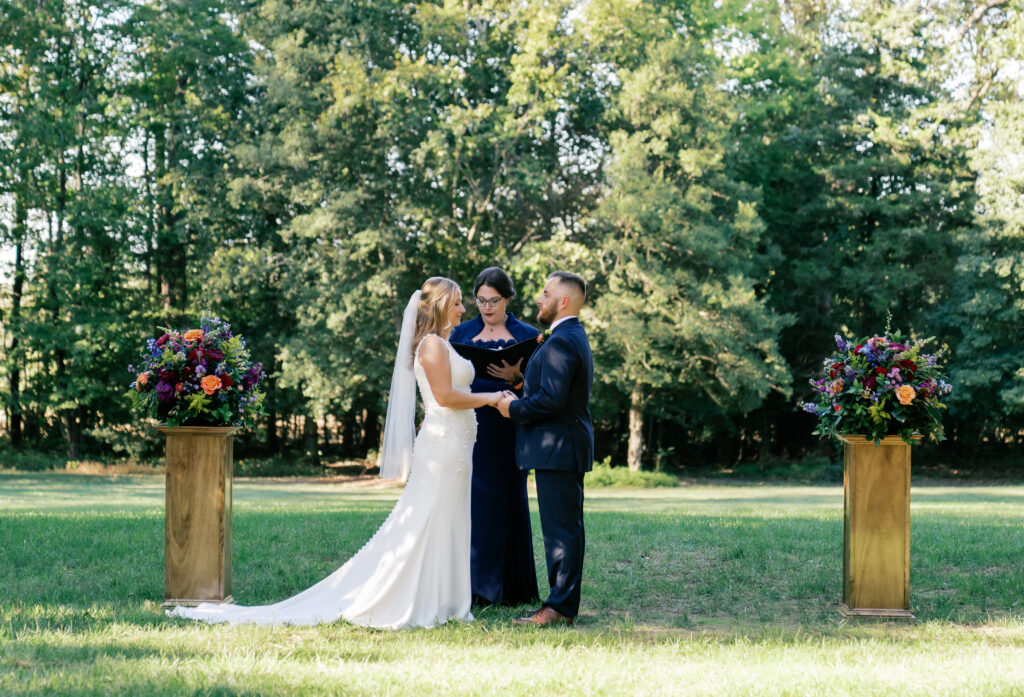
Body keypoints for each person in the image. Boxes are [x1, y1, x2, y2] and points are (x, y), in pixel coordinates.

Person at [167, 277, 506, 628]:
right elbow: (445, 397)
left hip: (456, 445)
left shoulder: (442, 343)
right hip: (443, 446)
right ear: (440, 306)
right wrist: (493, 398)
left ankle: (444, 599)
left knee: (449, 517)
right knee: (429, 518)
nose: (463, 309)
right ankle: (419, 598)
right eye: (457, 302)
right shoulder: (432, 345)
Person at [497, 271, 594, 627]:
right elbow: (554, 389)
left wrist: (513, 408)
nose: (539, 298)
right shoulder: (567, 336)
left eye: (546, 293)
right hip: (562, 447)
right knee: (563, 528)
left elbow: (552, 400)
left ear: (563, 301)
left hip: (560, 448)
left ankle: (560, 608)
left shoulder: (563, 341)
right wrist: (518, 381)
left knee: (561, 531)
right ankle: (559, 603)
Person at [448, 267, 540, 607]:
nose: (487, 308)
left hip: (510, 429)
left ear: (508, 299)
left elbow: (539, 389)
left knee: (511, 500)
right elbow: (447, 381)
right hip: (471, 428)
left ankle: (514, 589)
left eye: (494, 301)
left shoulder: (527, 335)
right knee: (475, 503)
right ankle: (475, 588)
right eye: (481, 301)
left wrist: (515, 378)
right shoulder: (460, 333)